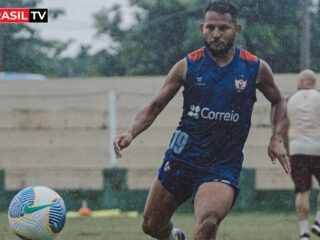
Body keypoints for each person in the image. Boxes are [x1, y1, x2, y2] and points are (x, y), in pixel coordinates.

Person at [113, 1, 290, 239]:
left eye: (223, 28)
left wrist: (276, 138)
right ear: (202, 29)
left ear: (236, 29)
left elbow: (279, 101)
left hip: (221, 165)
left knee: (208, 222)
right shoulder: (187, 66)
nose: (216, 34)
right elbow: (155, 106)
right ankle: (175, 236)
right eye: (210, 27)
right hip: (182, 158)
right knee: (151, 226)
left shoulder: (255, 68)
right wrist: (131, 132)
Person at [286, 69, 320, 240]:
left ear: (300, 82)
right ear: (313, 83)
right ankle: (319, 221)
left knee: (302, 191)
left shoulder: (290, 100)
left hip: (297, 149)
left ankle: (304, 233)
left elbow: (285, 127)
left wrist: (288, 148)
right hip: (318, 148)